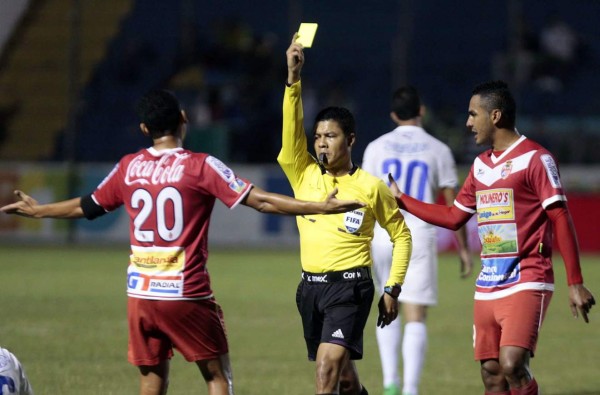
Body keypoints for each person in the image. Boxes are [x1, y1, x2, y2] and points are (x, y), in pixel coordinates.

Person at [0, 89, 366, 395]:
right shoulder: (201, 165)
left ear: (144, 128)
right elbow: (262, 201)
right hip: (185, 293)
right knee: (217, 377)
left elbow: (90, 205)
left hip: (140, 295)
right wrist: (320, 206)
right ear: (183, 118)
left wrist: (40, 210)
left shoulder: (129, 165)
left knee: (152, 379)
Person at [387, 80, 595, 394]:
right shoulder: (480, 166)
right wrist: (402, 199)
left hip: (528, 277)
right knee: (492, 374)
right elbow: (453, 217)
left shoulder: (536, 159)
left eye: (473, 114)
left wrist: (575, 282)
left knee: (512, 363)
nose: (468, 123)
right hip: (487, 284)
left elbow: (560, 216)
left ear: (495, 116)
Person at [279, 34, 413, 395]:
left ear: (350, 140)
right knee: (346, 379)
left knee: (326, 372)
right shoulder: (302, 172)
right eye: (319, 136)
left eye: (332, 136)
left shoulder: (371, 187)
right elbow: (291, 131)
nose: (322, 142)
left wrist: (393, 288)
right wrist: (293, 81)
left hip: (350, 288)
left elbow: (401, 235)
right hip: (310, 289)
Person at [361, 85, 473, 395]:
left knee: (387, 304)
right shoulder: (438, 149)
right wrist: (463, 248)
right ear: (421, 111)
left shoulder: (375, 148)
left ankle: (389, 384)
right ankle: (410, 389)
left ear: (393, 115)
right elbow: (454, 207)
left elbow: (365, 199)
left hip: (384, 236)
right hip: (419, 236)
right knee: (416, 314)